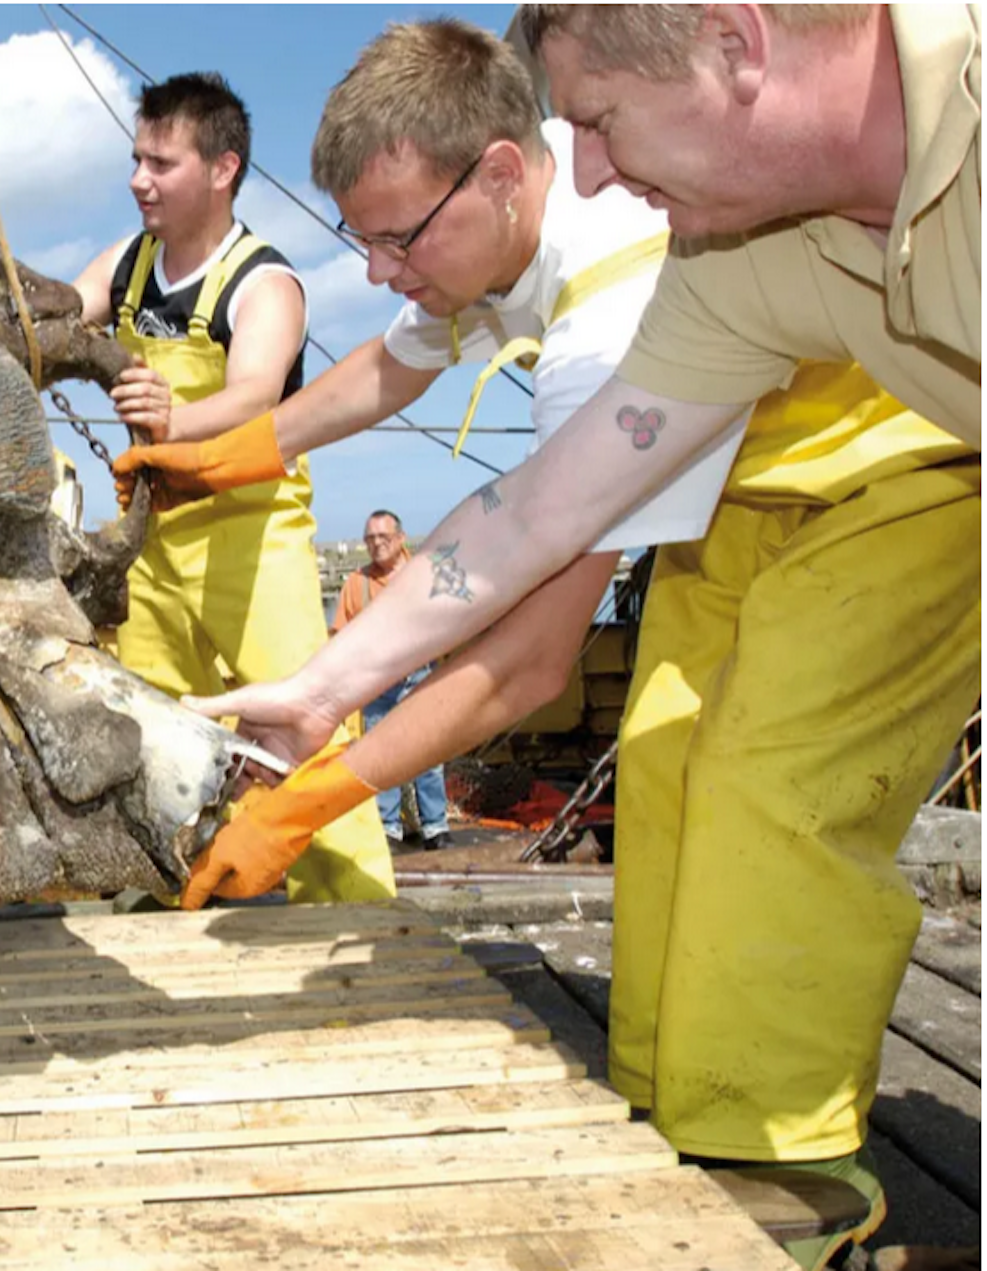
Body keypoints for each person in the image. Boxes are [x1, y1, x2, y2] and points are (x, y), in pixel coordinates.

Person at [118, 16, 980, 1266]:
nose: (597, 168)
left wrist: (311, 798)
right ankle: (675, 1101)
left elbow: (529, 658)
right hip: (731, 489)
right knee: (672, 767)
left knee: (771, 780)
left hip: (900, 461)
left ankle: (782, 1165)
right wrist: (307, 651)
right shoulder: (649, 258)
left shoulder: (622, 289)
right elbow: (504, 499)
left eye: (395, 238)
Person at [71, 71, 393, 905]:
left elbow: (255, 392)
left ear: (223, 169)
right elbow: (60, 317)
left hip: (256, 543)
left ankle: (360, 916)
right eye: (136, 159)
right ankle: (157, 908)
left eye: (162, 162)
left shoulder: (264, 281)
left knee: (310, 735)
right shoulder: (128, 265)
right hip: (156, 548)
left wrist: (174, 419)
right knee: (145, 738)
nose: (139, 178)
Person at [333, 511, 447, 853]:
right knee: (383, 758)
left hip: (420, 678)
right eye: (370, 539)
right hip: (377, 685)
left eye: (383, 537)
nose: (377, 544)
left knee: (428, 756)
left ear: (400, 538)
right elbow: (340, 635)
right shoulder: (356, 584)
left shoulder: (423, 575)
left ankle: (436, 827)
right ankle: (388, 830)